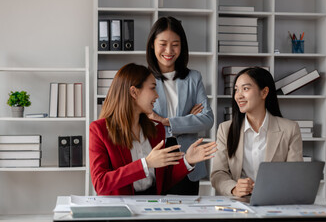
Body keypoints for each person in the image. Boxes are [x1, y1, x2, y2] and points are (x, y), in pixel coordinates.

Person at [89, 63, 217, 196]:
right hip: (120, 211)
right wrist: (146, 163)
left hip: (151, 207)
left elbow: (164, 181)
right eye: (153, 88)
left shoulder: (157, 128)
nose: (157, 95)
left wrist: (187, 161)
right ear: (134, 92)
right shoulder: (99, 129)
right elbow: (100, 183)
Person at [146, 16, 214, 195]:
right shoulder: (143, 78)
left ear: (182, 46)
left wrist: (166, 121)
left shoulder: (194, 78)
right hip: (155, 157)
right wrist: (188, 119)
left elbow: (207, 119)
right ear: (152, 44)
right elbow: (143, 120)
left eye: (175, 44)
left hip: (188, 159)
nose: (169, 50)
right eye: (163, 43)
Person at [211, 67, 303, 197]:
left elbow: (295, 174)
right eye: (236, 90)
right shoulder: (225, 129)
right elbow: (218, 173)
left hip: (275, 202)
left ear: (264, 92)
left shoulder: (290, 129)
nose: (239, 95)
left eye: (246, 88)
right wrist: (234, 188)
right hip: (239, 203)